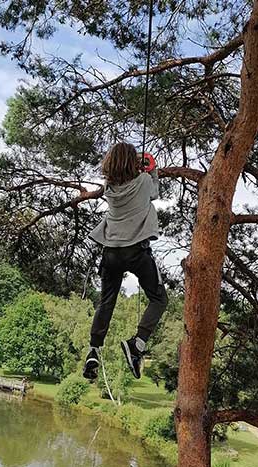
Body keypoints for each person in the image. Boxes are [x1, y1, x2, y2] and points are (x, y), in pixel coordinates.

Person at [83, 142, 168, 380]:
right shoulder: (142, 182)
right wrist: (150, 168)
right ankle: (137, 344)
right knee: (159, 299)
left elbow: (127, 178)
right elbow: (154, 192)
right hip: (137, 252)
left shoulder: (109, 187)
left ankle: (93, 350)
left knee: (106, 302)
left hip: (111, 252)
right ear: (132, 163)